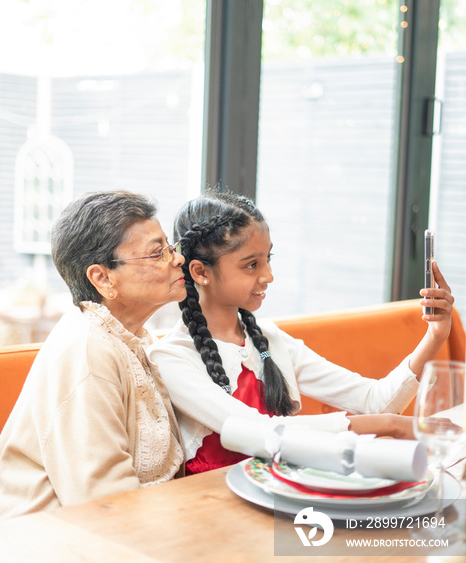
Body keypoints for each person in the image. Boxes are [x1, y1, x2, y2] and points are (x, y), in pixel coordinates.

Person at [149, 190, 455, 475]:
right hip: (213, 510)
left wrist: (436, 335)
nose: (268, 275)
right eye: (251, 265)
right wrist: (391, 426)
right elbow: (258, 432)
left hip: (285, 492)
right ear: (201, 272)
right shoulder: (172, 357)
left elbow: (376, 401)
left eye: (267, 259)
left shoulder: (269, 340)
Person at [0, 190, 187, 519]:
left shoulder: (128, 338)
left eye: (170, 247)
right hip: (52, 546)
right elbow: (104, 508)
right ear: (102, 278)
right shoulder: (87, 350)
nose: (177, 259)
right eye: (157, 253)